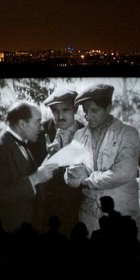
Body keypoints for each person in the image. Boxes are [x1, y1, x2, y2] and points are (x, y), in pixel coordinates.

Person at [65, 83, 140, 243]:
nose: (88, 117)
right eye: (85, 111)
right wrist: (70, 176)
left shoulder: (128, 132)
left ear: (109, 107)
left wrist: (86, 179)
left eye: (94, 111)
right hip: (88, 216)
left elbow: (124, 173)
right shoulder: (79, 135)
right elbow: (70, 175)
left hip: (121, 215)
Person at [0, 101, 58, 233]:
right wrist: (34, 179)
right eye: (37, 122)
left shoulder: (21, 143)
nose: (42, 128)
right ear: (22, 124)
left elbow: (26, 174)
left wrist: (51, 157)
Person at [39, 88, 82, 232]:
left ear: (75, 109)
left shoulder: (87, 131)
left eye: (65, 110)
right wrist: (48, 159)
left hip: (79, 208)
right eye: (55, 111)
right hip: (48, 209)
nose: (60, 116)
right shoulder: (40, 132)